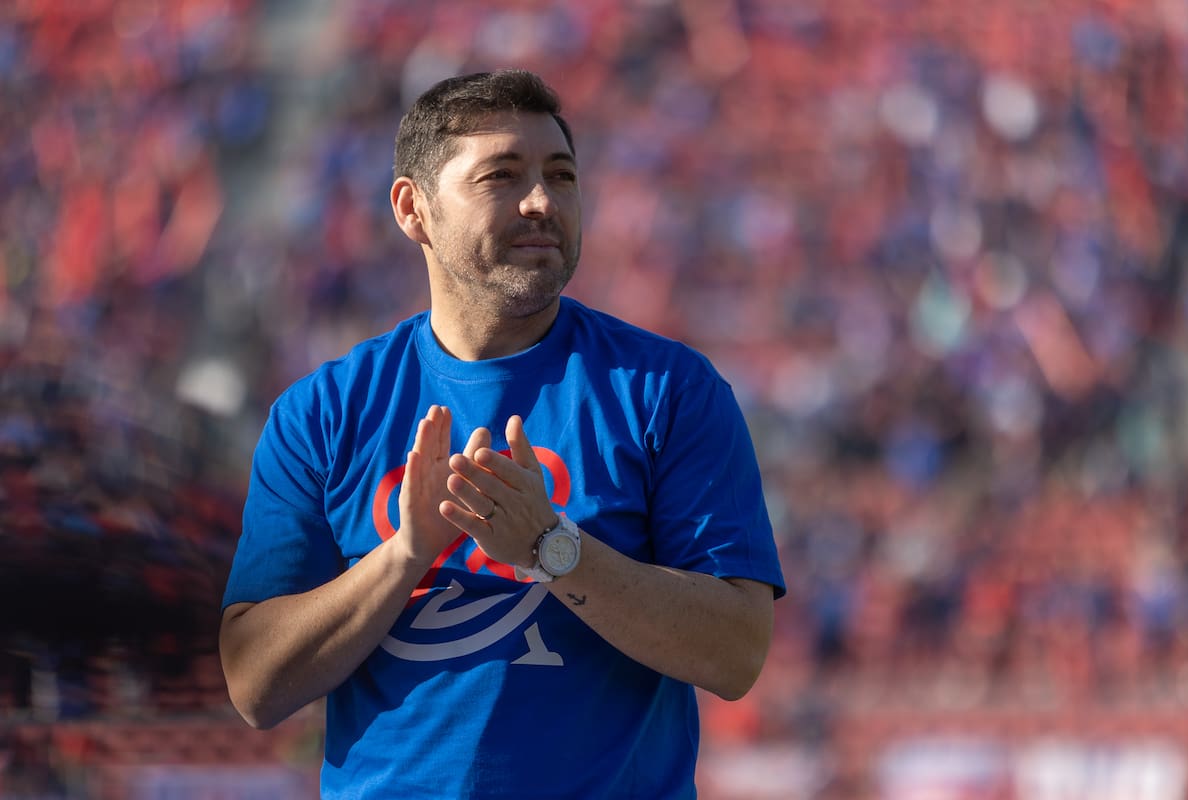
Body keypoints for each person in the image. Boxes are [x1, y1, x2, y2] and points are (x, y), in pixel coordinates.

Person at [219, 69, 785, 799]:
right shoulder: (322, 412)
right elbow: (255, 684)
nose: (542, 201)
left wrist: (553, 550)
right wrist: (406, 556)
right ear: (412, 208)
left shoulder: (669, 391)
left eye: (561, 175)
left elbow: (735, 654)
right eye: (501, 175)